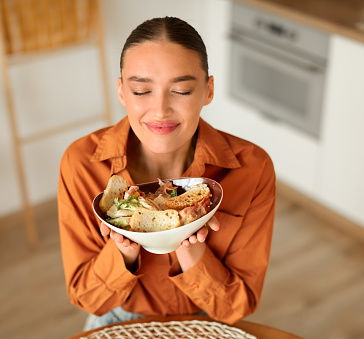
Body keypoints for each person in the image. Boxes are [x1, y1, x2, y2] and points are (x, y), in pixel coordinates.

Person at [57, 16, 275, 331]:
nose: (160, 110)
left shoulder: (253, 167)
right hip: (117, 321)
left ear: (208, 90)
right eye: (142, 91)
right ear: (121, 92)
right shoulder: (82, 163)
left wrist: (191, 247)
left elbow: (236, 307)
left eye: (182, 90)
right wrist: (124, 248)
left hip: (206, 322)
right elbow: (88, 298)